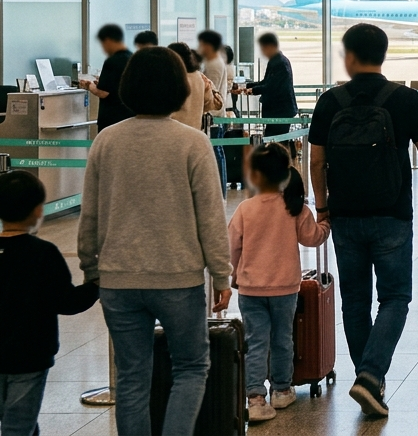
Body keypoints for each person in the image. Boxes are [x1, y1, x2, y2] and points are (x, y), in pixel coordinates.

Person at [77, 46, 232, 436]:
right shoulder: (192, 143)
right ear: (179, 88)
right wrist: (221, 275)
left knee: (131, 377)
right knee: (191, 367)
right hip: (178, 278)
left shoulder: (106, 141)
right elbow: (211, 217)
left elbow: (89, 214)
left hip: (118, 279)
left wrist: (91, 268)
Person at [308, 23, 418, 418]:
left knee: (354, 301)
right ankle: (370, 377)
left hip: (345, 216)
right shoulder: (404, 98)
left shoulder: (330, 101)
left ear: (350, 57)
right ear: (382, 55)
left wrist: (323, 208)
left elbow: (316, 161)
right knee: (395, 298)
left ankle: (368, 379)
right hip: (392, 214)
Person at [228, 142, 330, 422]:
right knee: (283, 338)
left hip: (250, 289)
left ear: (254, 175)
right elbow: (312, 238)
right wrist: (325, 225)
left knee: (255, 341)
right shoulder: (294, 209)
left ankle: (255, 398)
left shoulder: (244, 209)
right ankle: (282, 390)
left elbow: (232, 247)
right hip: (285, 288)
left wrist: (234, 276)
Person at [0, 170, 100, 436]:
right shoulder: (43, 254)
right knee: (19, 424)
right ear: (37, 210)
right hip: (30, 356)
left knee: (21, 423)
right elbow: (66, 301)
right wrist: (95, 286)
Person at [239, 33, 297, 138]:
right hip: (277, 111)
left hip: (280, 111)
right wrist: (248, 86)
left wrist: (253, 90)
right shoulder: (276, 61)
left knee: (275, 140)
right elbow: (266, 82)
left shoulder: (280, 63)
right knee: (273, 139)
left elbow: (272, 87)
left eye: (263, 48)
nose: (262, 52)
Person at [80, 24, 133, 131]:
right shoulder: (132, 57)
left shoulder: (112, 60)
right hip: (129, 117)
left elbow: (103, 93)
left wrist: (89, 86)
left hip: (112, 119)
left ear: (108, 40)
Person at [199, 31, 233, 188]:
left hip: (213, 116)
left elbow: (210, 91)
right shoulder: (217, 62)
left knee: (216, 152)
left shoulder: (213, 64)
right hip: (216, 115)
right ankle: (221, 189)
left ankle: (219, 189)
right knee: (218, 152)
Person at [168, 42, 218, 132]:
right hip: (195, 130)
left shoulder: (172, 77)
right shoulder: (200, 77)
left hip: (173, 131)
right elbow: (211, 102)